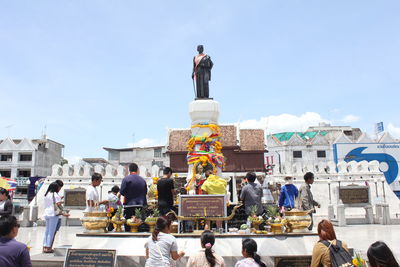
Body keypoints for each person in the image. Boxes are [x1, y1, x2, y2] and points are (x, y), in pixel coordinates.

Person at [43, 182, 70, 253]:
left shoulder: (47, 194)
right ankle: (48, 247)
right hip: (53, 214)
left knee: (47, 231)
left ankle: (44, 246)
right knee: (51, 231)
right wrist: (64, 213)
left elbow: (53, 202)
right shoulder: (55, 195)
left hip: (46, 213)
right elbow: (58, 205)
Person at [120, 163, 147, 231]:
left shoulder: (126, 179)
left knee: (129, 225)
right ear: (137, 170)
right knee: (139, 225)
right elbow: (145, 192)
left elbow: (122, 192)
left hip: (129, 206)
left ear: (129, 170)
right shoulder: (142, 180)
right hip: (140, 206)